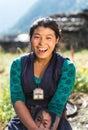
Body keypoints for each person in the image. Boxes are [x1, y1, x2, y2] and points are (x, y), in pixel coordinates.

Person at [8, 17, 76, 130]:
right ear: (31, 39)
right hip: (24, 121)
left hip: (54, 122)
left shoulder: (67, 68)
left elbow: (57, 106)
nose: (42, 43)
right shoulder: (17, 65)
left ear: (57, 39)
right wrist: (34, 128)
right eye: (37, 37)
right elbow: (18, 100)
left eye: (48, 38)